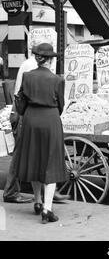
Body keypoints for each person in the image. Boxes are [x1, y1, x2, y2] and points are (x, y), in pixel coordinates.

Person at [3, 51, 70, 204]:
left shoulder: (28, 75)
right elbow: (61, 105)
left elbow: (21, 101)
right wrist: (52, 114)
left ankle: (38, 202)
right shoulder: (57, 80)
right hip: (50, 120)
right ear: (50, 60)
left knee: (32, 158)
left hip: (30, 119)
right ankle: (47, 207)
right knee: (50, 160)